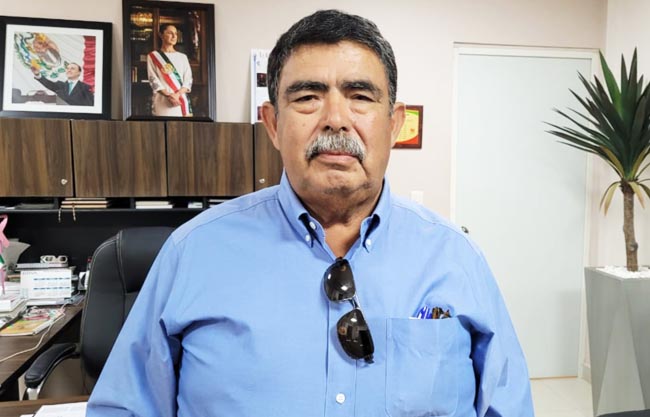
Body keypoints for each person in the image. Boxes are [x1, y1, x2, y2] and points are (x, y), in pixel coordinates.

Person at [87, 9, 533, 416]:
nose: (336, 118)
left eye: (360, 96)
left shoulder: (456, 257)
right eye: (307, 97)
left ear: (394, 124)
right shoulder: (191, 252)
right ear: (273, 123)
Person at [147, 24, 193, 117]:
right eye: (170, 33)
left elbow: (188, 80)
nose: (174, 36)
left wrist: (177, 95)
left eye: (175, 33)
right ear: (161, 35)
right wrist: (168, 95)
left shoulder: (183, 57)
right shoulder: (153, 56)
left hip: (180, 100)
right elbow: (153, 79)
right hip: (162, 101)